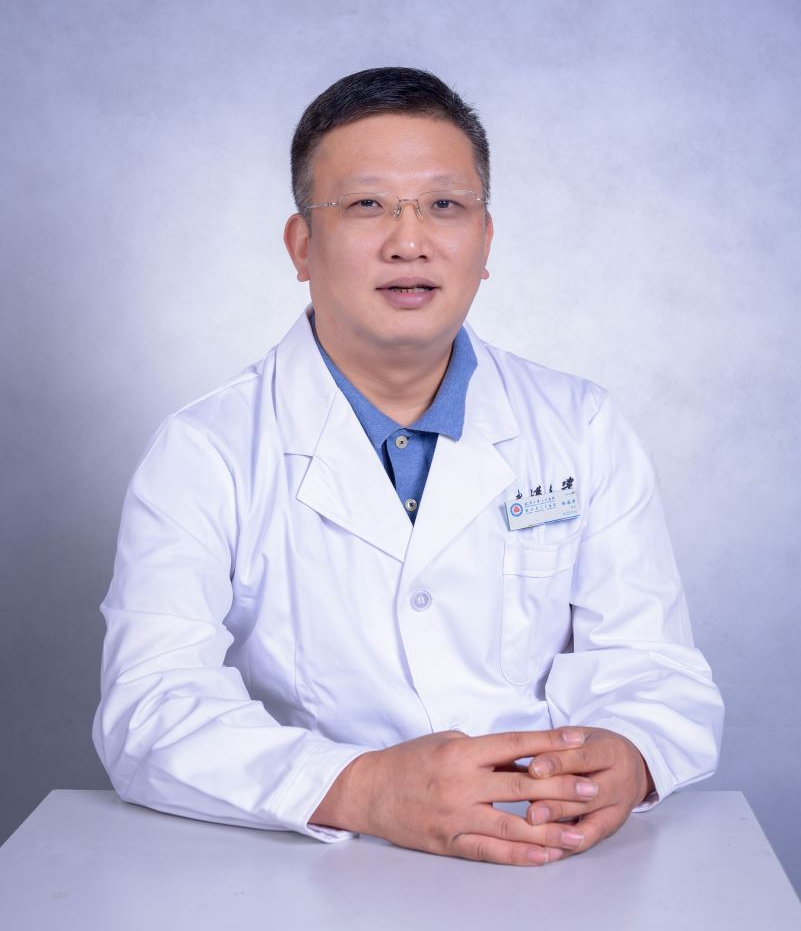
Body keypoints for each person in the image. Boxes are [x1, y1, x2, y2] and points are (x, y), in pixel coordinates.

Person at [93, 67, 724, 867]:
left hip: (549, 867)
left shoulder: (580, 426)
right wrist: (363, 789)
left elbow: (652, 668)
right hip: (306, 870)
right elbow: (148, 710)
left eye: (444, 205)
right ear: (301, 245)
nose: (409, 240)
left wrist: (631, 755)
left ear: (484, 241)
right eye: (366, 205)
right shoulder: (205, 450)